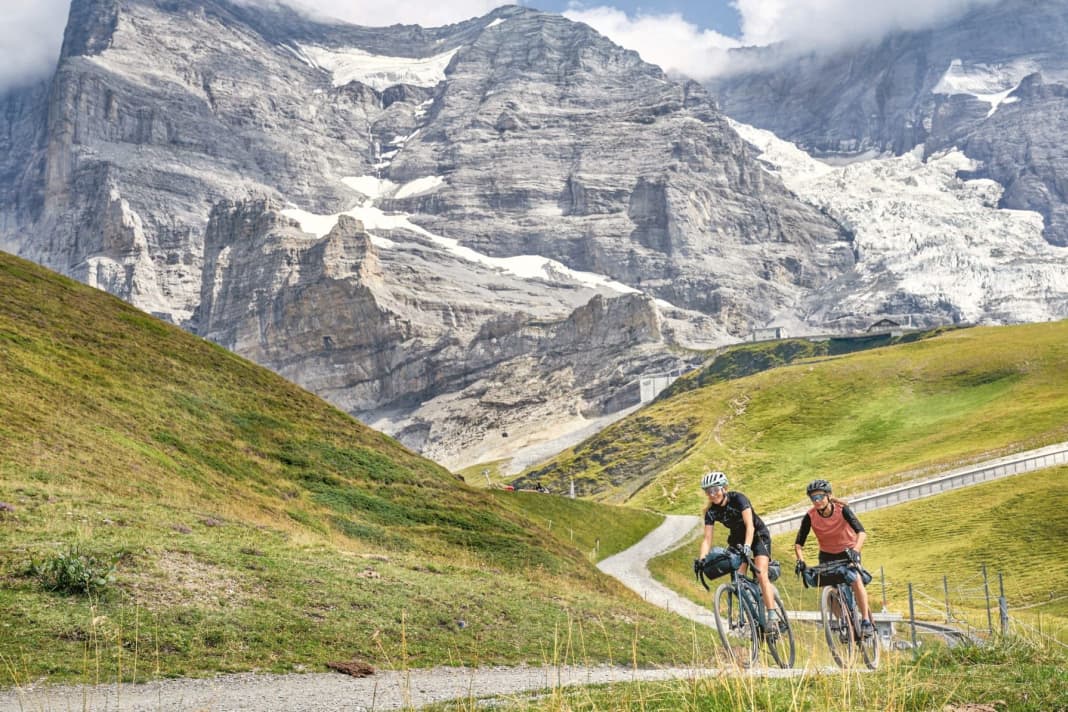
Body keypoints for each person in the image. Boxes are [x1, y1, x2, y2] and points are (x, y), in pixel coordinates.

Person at [694, 470, 784, 626]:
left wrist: (748, 547)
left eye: (715, 489)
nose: (712, 494)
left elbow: (750, 526)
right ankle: (752, 617)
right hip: (737, 541)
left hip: (757, 537)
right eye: (708, 491)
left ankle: (772, 616)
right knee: (738, 580)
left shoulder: (738, 499)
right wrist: (702, 559)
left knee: (761, 573)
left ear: (724, 488)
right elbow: (707, 539)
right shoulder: (711, 512)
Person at [793, 478, 875, 637]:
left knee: (855, 579)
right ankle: (845, 622)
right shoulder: (810, 516)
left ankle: (866, 621)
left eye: (820, 497)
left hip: (848, 551)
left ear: (828, 496)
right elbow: (798, 544)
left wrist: (856, 551)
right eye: (813, 498)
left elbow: (861, 532)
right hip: (827, 555)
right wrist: (801, 560)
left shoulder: (842, 510)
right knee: (829, 590)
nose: (816, 501)